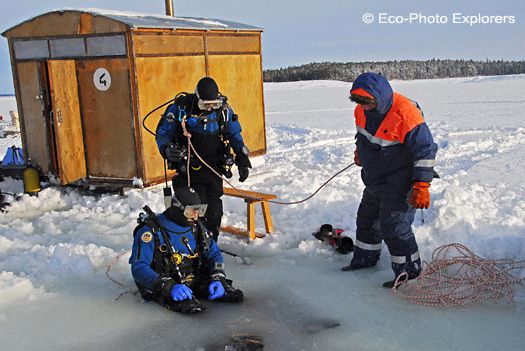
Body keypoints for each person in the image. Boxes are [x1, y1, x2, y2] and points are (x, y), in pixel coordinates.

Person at [342, 72, 438, 288]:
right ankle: (365, 259)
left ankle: (408, 274)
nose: (364, 107)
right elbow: (363, 136)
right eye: (360, 102)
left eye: (368, 103)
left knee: (395, 227)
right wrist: (360, 152)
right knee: (366, 220)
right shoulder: (361, 110)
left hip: (400, 181)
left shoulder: (406, 113)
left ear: (380, 96)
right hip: (375, 178)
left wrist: (421, 186)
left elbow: (425, 150)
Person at [156, 77, 252, 242]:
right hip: (188, 169)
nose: (209, 108)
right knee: (192, 210)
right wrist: (167, 149)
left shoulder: (223, 110)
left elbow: (234, 133)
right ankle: (189, 243)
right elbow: (162, 134)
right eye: (205, 104)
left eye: (213, 104)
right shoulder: (181, 109)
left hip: (213, 168)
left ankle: (210, 243)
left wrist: (242, 159)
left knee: (214, 211)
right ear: (197, 98)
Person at [129, 187, 244, 314]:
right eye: (191, 211)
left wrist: (218, 276)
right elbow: (138, 267)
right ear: (177, 208)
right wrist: (168, 286)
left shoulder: (196, 227)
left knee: (234, 296)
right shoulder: (150, 231)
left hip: (194, 278)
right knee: (191, 309)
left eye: (199, 210)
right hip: (165, 283)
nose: (195, 216)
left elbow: (214, 254)